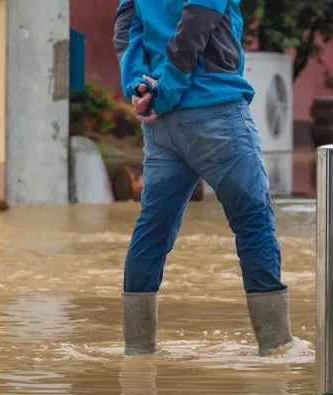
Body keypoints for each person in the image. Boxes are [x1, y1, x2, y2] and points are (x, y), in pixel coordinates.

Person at [113, 0, 292, 357]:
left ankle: (138, 354)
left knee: (153, 229)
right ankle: (277, 351)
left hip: (161, 125)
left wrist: (139, 87)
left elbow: (126, 28)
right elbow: (197, 21)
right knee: (254, 222)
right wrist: (167, 92)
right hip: (214, 108)